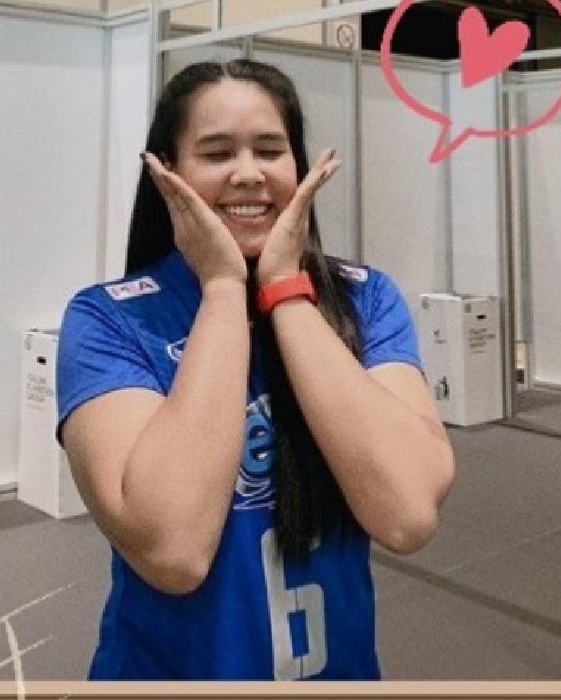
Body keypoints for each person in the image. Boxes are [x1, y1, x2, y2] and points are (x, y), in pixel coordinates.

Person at [55, 59, 455, 680]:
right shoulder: (109, 318)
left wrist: (285, 291)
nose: (248, 173)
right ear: (167, 171)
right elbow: (173, 551)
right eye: (217, 153)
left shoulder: (366, 299)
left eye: (270, 150)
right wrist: (221, 288)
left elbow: (407, 515)